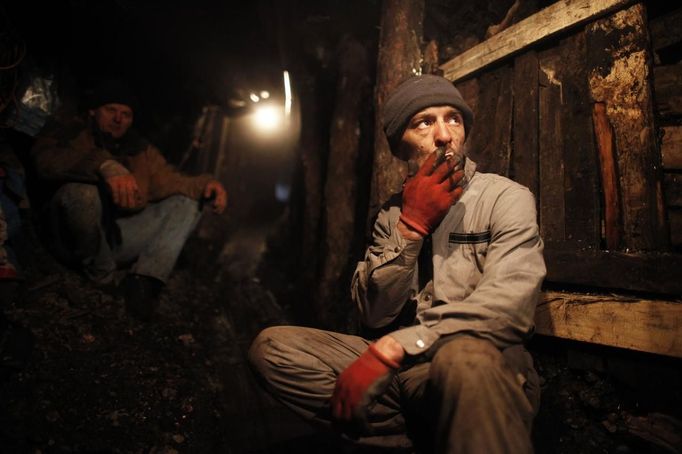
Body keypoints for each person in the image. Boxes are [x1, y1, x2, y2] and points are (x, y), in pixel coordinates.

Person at [248, 74, 546, 453]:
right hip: (404, 376)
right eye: (424, 122)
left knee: (463, 358)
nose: (444, 135)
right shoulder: (391, 214)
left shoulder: (506, 198)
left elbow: (508, 306)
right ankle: (433, 435)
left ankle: (462, 431)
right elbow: (373, 313)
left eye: (453, 119)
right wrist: (411, 227)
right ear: (401, 147)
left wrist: (397, 346)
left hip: (480, 368)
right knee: (271, 348)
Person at [30, 79, 227, 321]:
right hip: (68, 238)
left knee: (186, 202)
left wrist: (207, 183)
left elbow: (174, 181)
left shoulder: (138, 150)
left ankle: (143, 281)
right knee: (80, 193)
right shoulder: (69, 131)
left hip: (115, 237)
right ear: (93, 110)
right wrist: (103, 165)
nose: (118, 119)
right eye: (111, 110)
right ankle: (102, 278)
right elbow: (45, 161)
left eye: (126, 114)